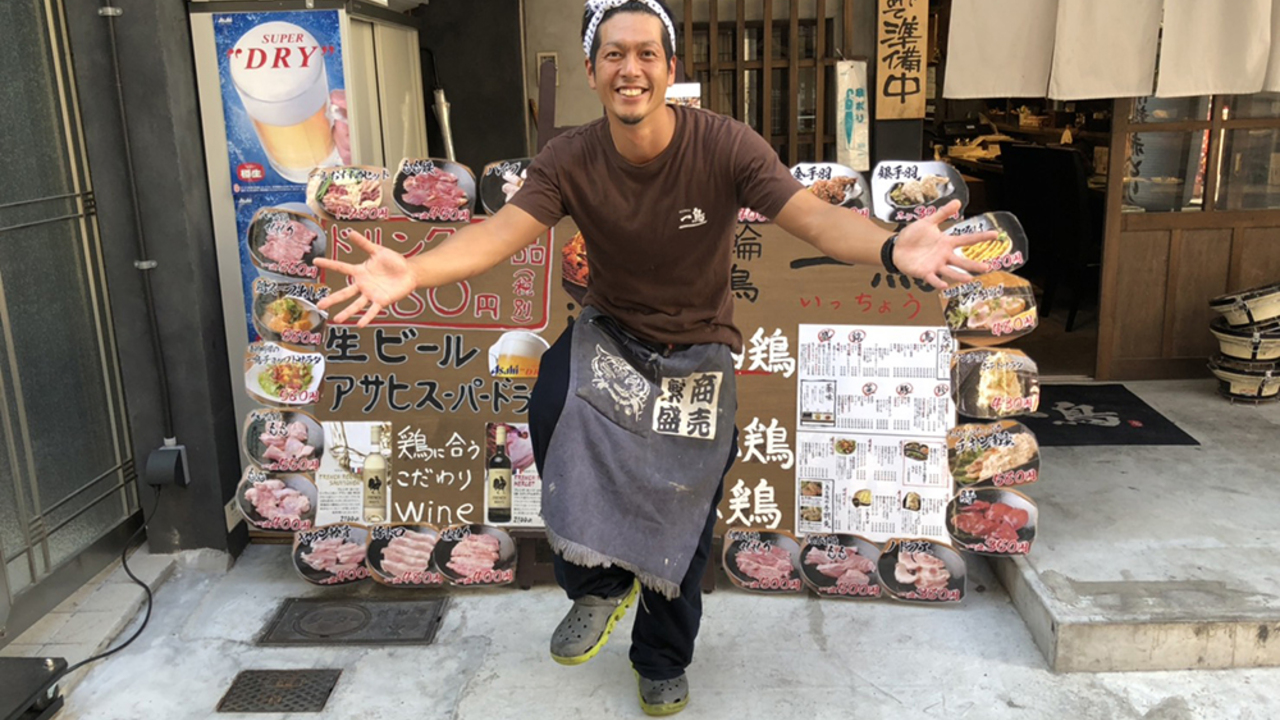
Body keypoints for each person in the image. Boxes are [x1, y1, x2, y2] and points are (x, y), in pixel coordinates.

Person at [317, 1, 994, 714]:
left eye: (646, 53)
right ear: (592, 70)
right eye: (613, 54)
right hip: (611, 333)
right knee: (550, 402)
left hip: (699, 349)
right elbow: (501, 233)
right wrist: (414, 272)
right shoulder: (571, 157)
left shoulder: (724, 146)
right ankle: (599, 588)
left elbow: (813, 217)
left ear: (671, 68)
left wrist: (891, 244)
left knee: (688, 508)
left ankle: (662, 658)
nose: (630, 69)